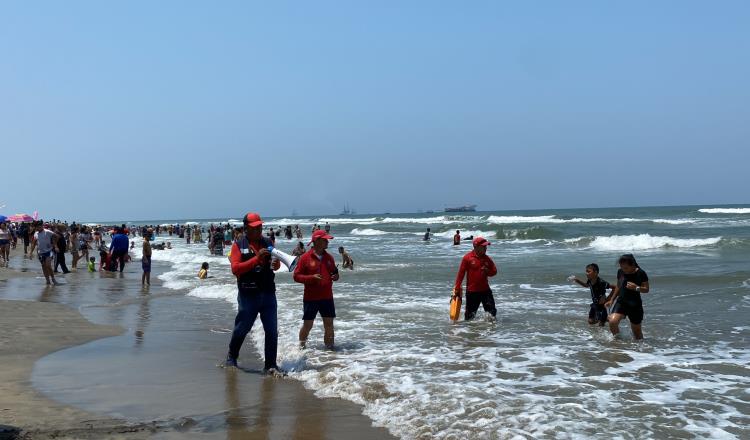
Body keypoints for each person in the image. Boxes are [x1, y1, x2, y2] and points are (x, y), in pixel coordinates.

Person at [225, 212, 284, 375]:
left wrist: (276, 263)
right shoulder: (238, 245)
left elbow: (276, 267)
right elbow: (235, 269)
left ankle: (271, 365)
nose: (258, 230)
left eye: (260, 227)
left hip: (268, 294)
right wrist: (256, 260)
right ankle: (232, 357)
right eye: (254, 228)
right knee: (242, 328)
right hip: (248, 295)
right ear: (246, 228)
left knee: (272, 330)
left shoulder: (268, 242)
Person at [293, 230, 339, 349]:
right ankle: (301, 347)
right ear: (317, 241)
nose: (327, 242)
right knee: (308, 325)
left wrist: (336, 276)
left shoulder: (329, 257)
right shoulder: (305, 258)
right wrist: (311, 278)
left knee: (329, 325)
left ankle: (330, 351)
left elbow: (335, 272)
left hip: (327, 297)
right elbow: (296, 276)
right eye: (325, 240)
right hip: (311, 298)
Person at [605, 254, 650, 340]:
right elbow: (618, 286)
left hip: (634, 305)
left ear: (633, 265)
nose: (623, 270)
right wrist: (612, 300)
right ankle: (619, 342)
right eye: (622, 267)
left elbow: (646, 289)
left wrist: (636, 287)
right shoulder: (620, 271)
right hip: (621, 302)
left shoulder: (641, 273)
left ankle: (639, 350)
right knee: (612, 321)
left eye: (626, 268)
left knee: (637, 333)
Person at [453, 237, 498, 321]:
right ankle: (470, 332)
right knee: (469, 317)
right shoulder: (467, 258)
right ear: (476, 246)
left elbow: (494, 271)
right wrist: (457, 288)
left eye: (486, 246)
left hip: (485, 291)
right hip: (472, 292)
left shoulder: (487, 259)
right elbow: (461, 274)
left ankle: (491, 331)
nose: (486, 248)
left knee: (492, 314)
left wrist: (487, 271)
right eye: (483, 246)